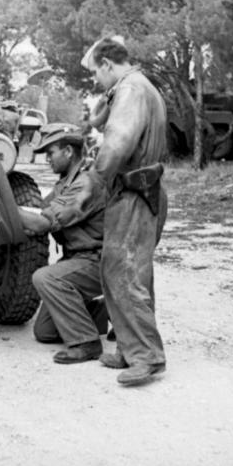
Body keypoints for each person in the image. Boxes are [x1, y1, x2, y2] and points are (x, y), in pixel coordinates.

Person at [85, 38, 169, 386]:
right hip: (143, 190)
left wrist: (93, 182)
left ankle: (147, 356)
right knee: (127, 270)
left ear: (107, 64)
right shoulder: (135, 86)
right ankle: (129, 347)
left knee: (124, 271)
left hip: (133, 191)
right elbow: (102, 122)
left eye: (95, 73)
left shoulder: (132, 90)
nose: (96, 80)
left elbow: (118, 141)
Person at [18, 124, 108, 364]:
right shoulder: (64, 184)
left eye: (51, 153)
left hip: (96, 261)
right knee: (45, 332)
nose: (48, 159)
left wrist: (0, 205)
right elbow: (37, 211)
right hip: (77, 262)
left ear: (68, 151)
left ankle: (86, 342)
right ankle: (101, 313)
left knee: (45, 277)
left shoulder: (86, 183)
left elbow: (42, 223)